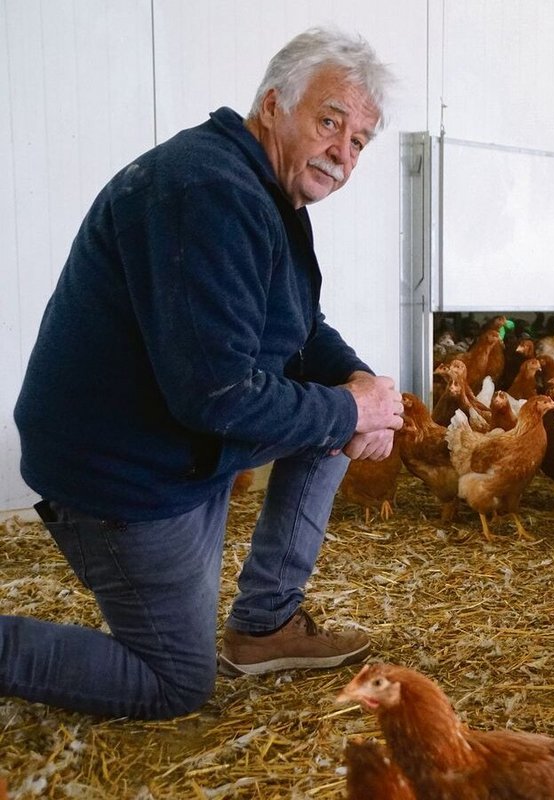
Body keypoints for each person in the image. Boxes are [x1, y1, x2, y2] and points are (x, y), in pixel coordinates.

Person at [2, 28, 402, 720]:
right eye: (329, 121)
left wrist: (367, 389)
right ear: (274, 105)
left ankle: (264, 624)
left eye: (360, 140)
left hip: (168, 446)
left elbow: (298, 328)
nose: (342, 152)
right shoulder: (206, 191)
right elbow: (216, 396)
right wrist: (350, 413)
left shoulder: (264, 193)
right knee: (174, 683)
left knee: (336, 415)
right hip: (122, 473)